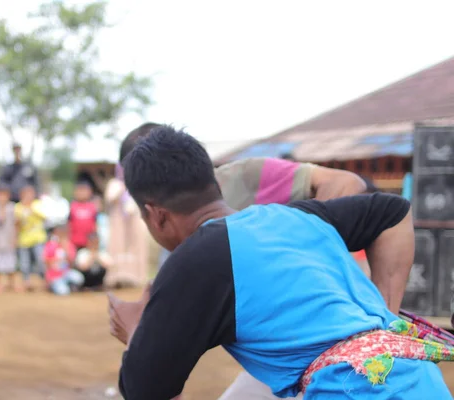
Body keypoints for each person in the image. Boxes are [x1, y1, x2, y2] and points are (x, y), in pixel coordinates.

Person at [110, 126, 453, 400]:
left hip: (351, 389)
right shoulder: (298, 217)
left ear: (156, 216)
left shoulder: (190, 264)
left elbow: (146, 390)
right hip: (418, 379)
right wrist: (384, 322)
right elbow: (393, 212)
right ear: (214, 182)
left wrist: (137, 330)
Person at [15, 185, 47, 291]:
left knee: (40, 260)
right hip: (24, 239)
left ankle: (45, 281)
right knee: (24, 263)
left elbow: (44, 216)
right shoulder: (18, 207)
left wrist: (30, 208)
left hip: (38, 238)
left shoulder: (37, 204)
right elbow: (17, 224)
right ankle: (26, 282)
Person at [0, 185, 18, 292]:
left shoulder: (12, 208)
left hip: (8, 239)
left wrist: (15, 238)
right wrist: (1, 208)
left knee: (10, 263)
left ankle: (11, 283)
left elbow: (15, 224)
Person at [43, 224, 83, 295]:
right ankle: (53, 286)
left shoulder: (69, 245)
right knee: (63, 292)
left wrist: (65, 248)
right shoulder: (50, 245)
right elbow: (46, 261)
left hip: (65, 273)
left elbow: (71, 261)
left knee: (79, 278)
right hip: (54, 276)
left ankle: (68, 285)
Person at [68, 181, 98, 251]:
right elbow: (69, 224)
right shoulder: (73, 206)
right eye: (80, 190)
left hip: (89, 242)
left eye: (84, 190)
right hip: (75, 242)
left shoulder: (92, 207)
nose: (82, 193)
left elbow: (95, 224)